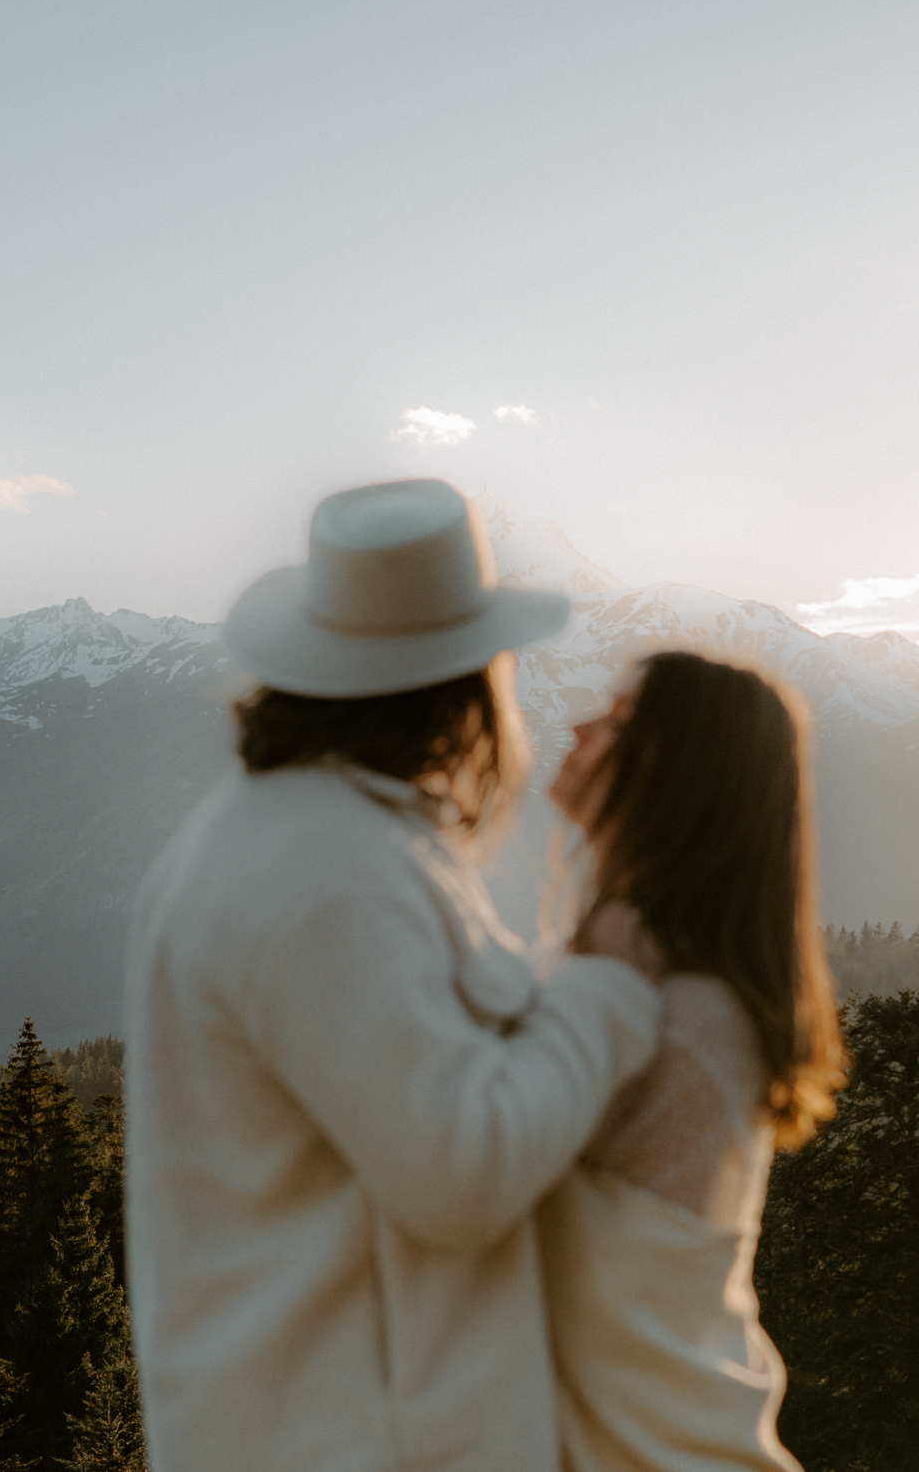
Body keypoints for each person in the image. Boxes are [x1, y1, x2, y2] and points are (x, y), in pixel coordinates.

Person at [124, 477, 661, 1472]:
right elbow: (460, 1172)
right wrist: (610, 991)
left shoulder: (304, 837)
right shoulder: (328, 877)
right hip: (359, 1438)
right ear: (464, 685)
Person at [541, 651, 847, 1472]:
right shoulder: (636, 978)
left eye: (618, 720)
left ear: (680, 776)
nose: (576, 725)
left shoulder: (683, 1016)